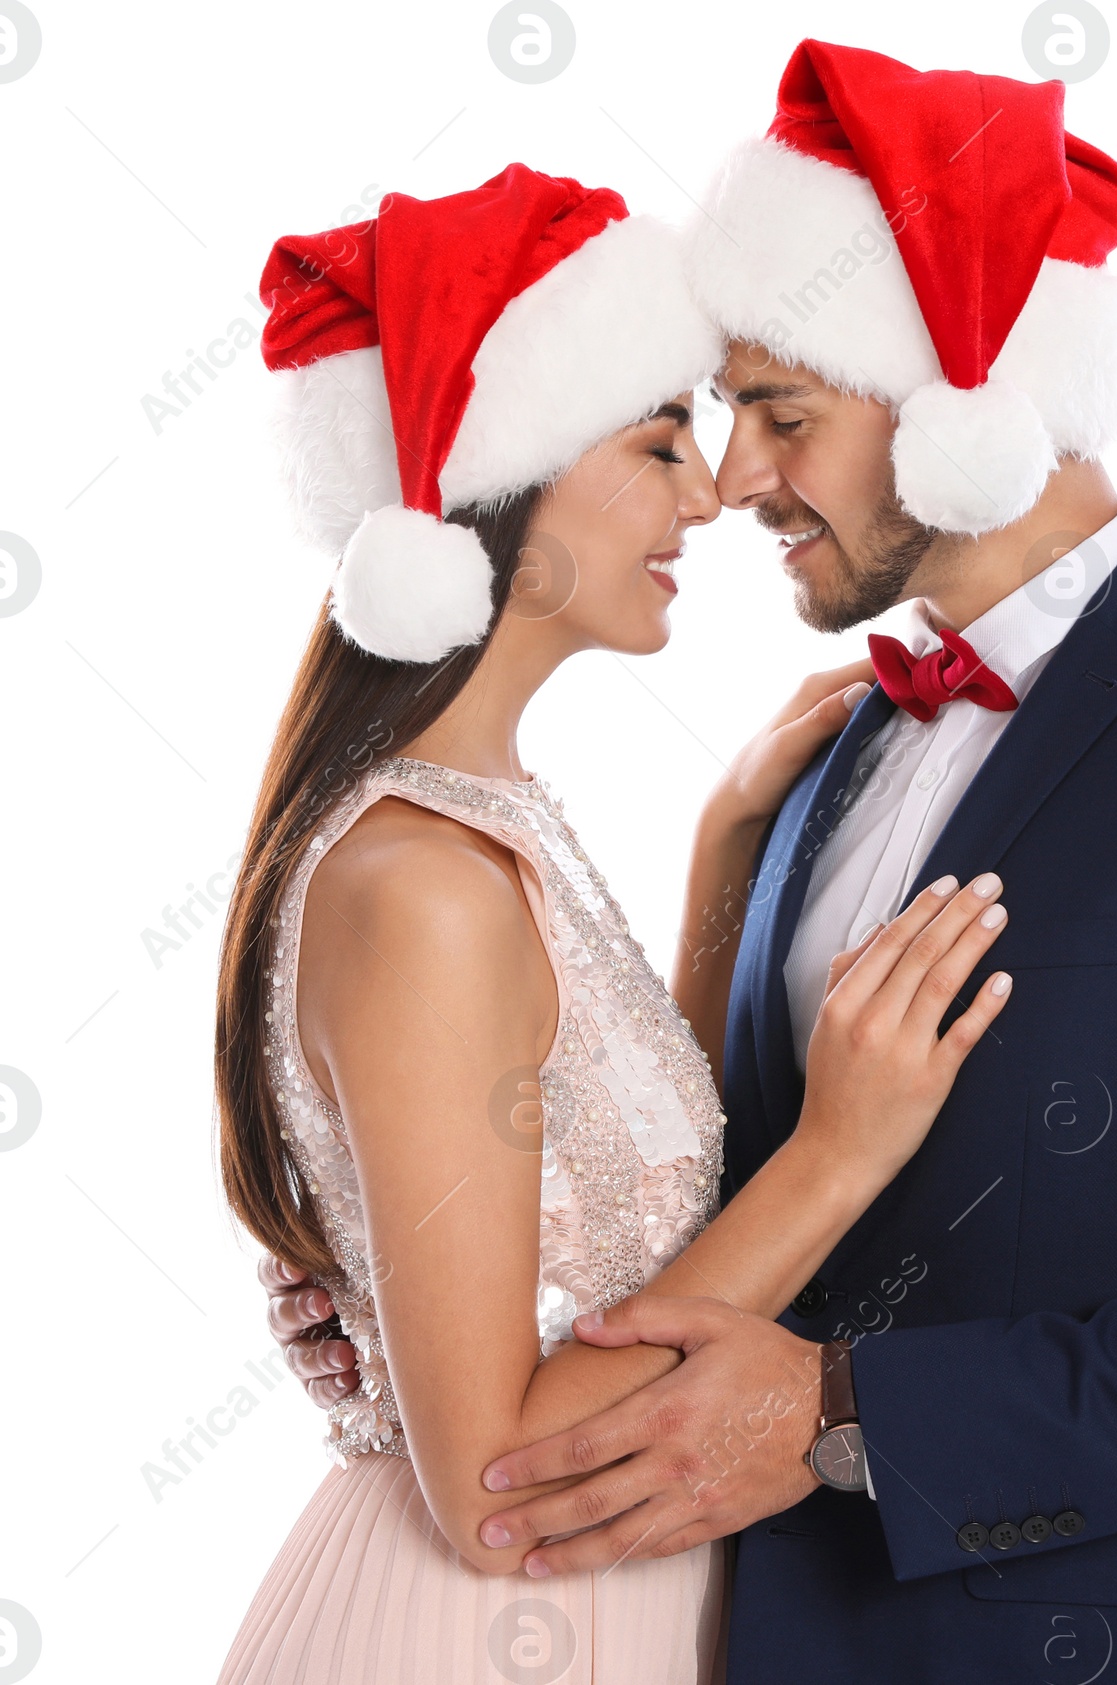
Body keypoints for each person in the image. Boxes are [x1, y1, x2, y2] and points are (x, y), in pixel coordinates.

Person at [270, 41, 1117, 1685]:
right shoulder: (823, 756)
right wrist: (414, 1270)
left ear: (972, 407)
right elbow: (686, 1205)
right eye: (714, 422)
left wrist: (852, 1410)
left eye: (783, 414)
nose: (739, 482)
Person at [216, 161, 1014, 1685]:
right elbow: (498, 1482)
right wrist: (840, 1153)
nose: (710, 494)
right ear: (499, 486)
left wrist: (722, 860)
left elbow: (607, 1179)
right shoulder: (426, 886)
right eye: (661, 444)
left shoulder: (476, 824)